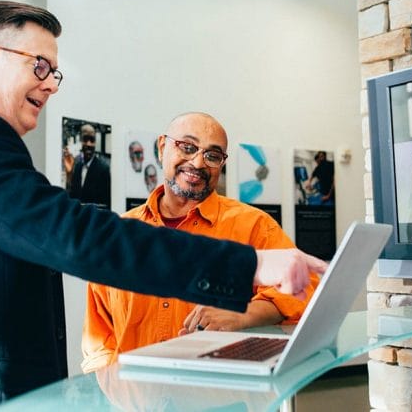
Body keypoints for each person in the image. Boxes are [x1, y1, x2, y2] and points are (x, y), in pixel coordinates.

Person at [0, 1, 327, 411]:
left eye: (54, 72)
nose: (51, 85)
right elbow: (74, 235)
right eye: (39, 66)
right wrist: (250, 265)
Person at [81, 113, 320, 372]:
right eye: (187, 147)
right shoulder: (120, 235)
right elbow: (99, 340)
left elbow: (306, 290)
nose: (197, 162)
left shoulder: (254, 225)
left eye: (212, 155)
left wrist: (243, 314)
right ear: (162, 148)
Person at [63, 123, 111, 208]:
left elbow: (106, 204)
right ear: (81, 141)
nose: (88, 144)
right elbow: (72, 197)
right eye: (85, 139)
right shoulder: (77, 166)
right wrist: (69, 175)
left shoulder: (103, 169)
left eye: (92, 140)